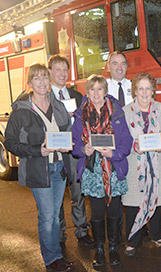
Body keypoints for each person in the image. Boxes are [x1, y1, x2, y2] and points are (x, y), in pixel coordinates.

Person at [4, 63, 74, 271]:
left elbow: (67, 130)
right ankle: (51, 260)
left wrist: (69, 143)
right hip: (38, 169)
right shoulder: (21, 111)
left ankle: (57, 255)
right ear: (30, 83)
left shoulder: (58, 105)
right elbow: (9, 142)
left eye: (45, 77)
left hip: (59, 168)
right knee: (47, 217)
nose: (42, 82)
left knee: (55, 216)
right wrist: (37, 150)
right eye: (37, 78)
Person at [72, 75, 132, 267]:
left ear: (105, 91)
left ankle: (113, 248)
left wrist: (114, 154)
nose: (96, 93)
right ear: (87, 93)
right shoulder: (81, 116)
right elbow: (74, 144)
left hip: (113, 169)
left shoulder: (117, 113)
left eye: (100, 89)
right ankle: (99, 248)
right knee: (97, 213)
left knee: (114, 211)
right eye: (92, 89)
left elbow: (127, 142)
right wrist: (83, 150)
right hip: (92, 171)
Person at [122, 72, 161, 256]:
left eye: (148, 88)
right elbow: (121, 139)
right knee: (133, 204)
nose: (144, 92)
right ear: (134, 91)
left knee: (158, 201)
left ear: (153, 90)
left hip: (158, 163)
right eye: (140, 88)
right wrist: (133, 146)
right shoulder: (125, 112)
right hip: (135, 166)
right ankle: (132, 239)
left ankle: (157, 235)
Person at [48, 54, 94, 247]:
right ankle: (59, 235)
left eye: (64, 70)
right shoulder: (44, 97)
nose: (61, 73)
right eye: (57, 69)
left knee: (78, 194)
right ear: (49, 72)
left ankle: (81, 230)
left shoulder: (77, 96)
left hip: (74, 152)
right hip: (55, 154)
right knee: (56, 197)